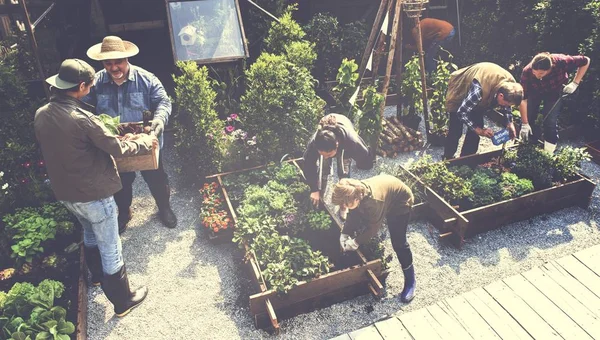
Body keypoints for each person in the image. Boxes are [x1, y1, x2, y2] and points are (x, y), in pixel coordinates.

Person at [34, 59, 153, 317]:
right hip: (94, 195)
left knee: (89, 232)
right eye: (89, 85)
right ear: (81, 86)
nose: (91, 88)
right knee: (111, 246)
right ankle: (123, 301)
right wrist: (144, 142)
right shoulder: (82, 118)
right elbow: (117, 147)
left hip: (67, 194)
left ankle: (97, 277)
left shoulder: (42, 113)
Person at [83, 35, 177, 231]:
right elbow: (83, 106)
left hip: (145, 142)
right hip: (114, 145)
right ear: (103, 63)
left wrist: (159, 121)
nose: (114, 68)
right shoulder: (96, 82)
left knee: (156, 177)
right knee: (120, 183)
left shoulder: (146, 78)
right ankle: (124, 212)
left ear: (127, 60)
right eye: (108, 63)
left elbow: (164, 102)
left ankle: (164, 207)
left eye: (118, 62)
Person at [331, 175, 416, 303]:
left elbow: (373, 229)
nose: (344, 206)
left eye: (345, 203)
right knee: (361, 216)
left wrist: (355, 242)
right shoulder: (356, 193)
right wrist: (345, 233)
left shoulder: (373, 203)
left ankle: (411, 281)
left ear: (356, 198)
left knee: (399, 243)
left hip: (400, 202)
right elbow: (353, 215)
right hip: (386, 195)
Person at [443, 62, 523, 160]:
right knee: (456, 131)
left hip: (482, 94)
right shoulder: (478, 91)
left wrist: (510, 123)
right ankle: (448, 159)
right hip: (460, 90)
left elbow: (507, 104)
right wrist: (479, 130)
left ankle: (466, 160)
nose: (506, 107)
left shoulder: (511, 85)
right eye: (506, 104)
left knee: (474, 134)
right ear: (500, 95)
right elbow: (461, 112)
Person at [303, 114, 373, 219]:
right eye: (322, 154)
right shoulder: (315, 143)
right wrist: (314, 189)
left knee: (343, 175)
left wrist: (360, 164)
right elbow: (308, 164)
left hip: (345, 144)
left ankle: (344, 205)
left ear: (336, 145)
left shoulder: (352, 142)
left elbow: (365, 156)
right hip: (329, 139)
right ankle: (320, 197)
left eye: (329, 155)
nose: (326, 157)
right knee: (323, 170)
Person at [518, 52, 590, 153]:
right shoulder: (527, 71)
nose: (537, 76)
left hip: (554, 92)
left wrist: (575, 83)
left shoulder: (562, 61)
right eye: (535, 73)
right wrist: (524, 123)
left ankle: (548, 153)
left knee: (550, 121)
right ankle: (526, 145)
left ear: (550, 69)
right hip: (534, 92)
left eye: (541, 73)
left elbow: (586, 60)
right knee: (528, 116)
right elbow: (523, 99)